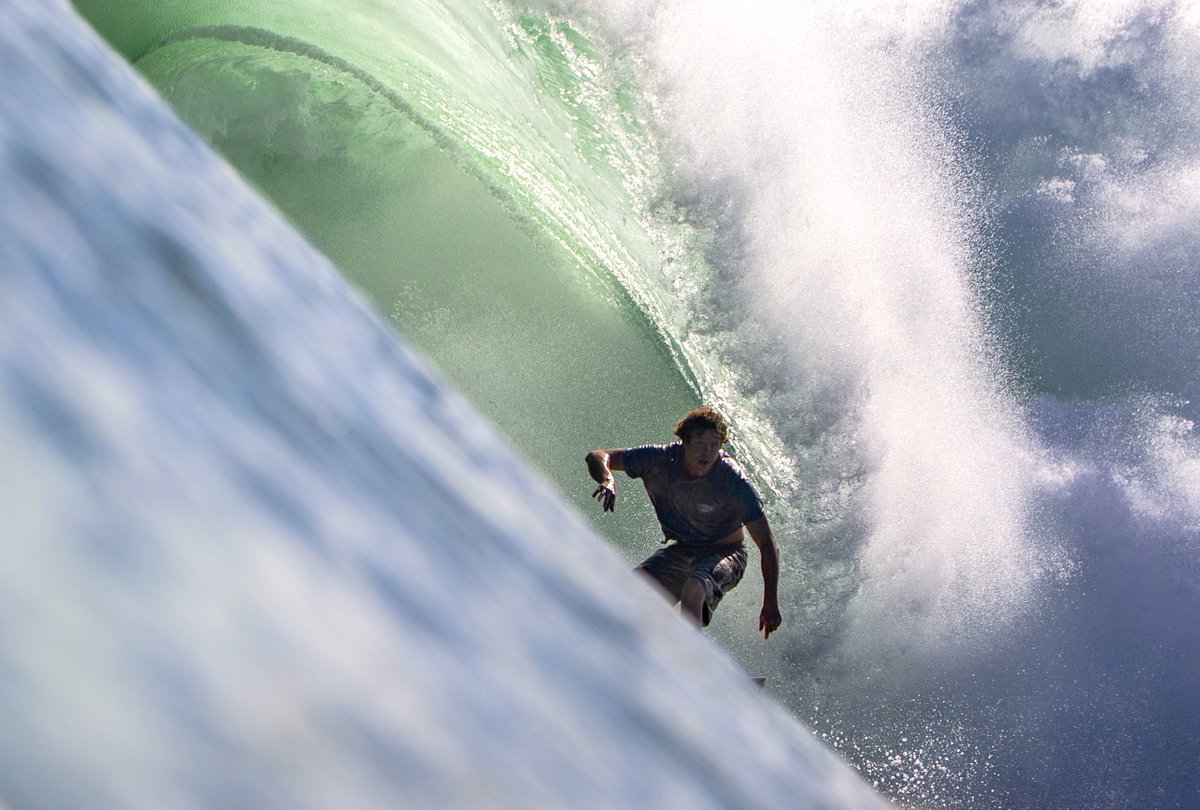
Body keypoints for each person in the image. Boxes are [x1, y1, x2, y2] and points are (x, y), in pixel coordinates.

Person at [586, 407, 782, 638]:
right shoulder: (659, 459)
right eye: (700, 443)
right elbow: (597, 456)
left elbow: (768, 545)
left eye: (714, 444)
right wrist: (607, 479)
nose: (707, 452)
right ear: (684, 441)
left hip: (728, 553)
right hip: (686, 549)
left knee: (694, 589)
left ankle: (687, 662)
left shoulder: (732, 480)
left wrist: (770, 602)